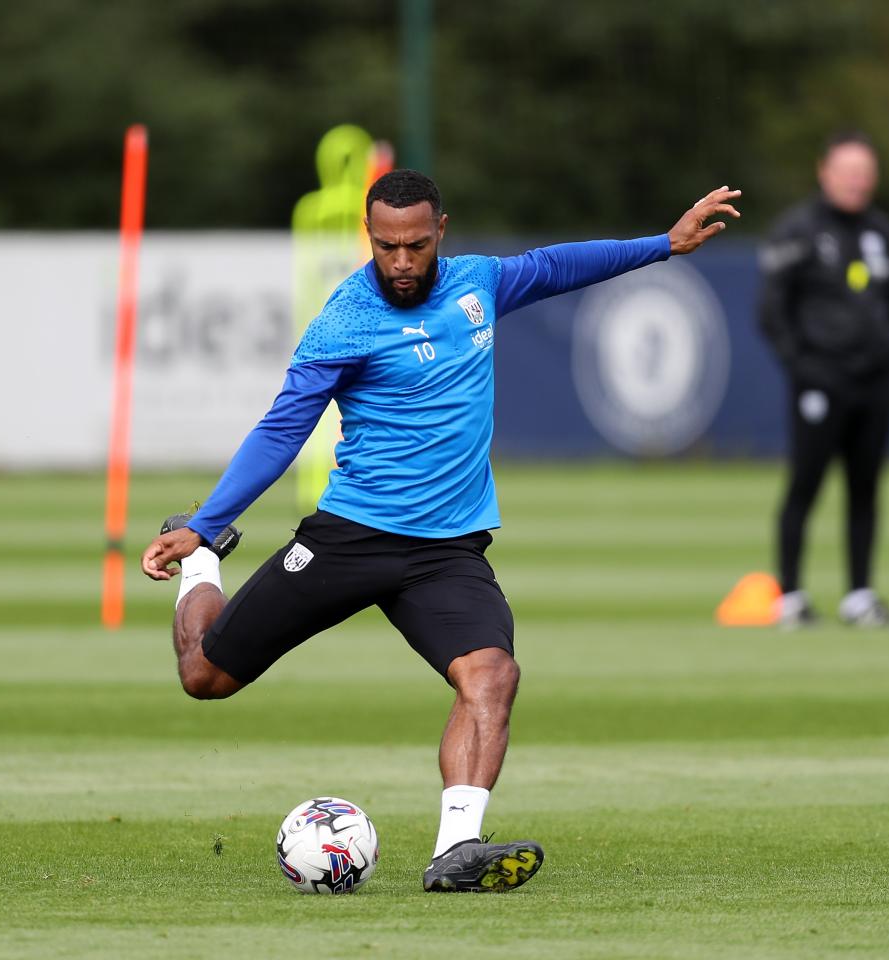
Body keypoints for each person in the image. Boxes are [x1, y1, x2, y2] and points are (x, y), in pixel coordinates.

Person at [141, 169, 741, 892]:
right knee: (204, 677)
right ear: (371, 238)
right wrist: (206, 528)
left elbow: (555, 266)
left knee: (491, 676)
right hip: (352, 536)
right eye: (386, 246)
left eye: (416, 246)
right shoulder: (345, 319)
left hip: (447, 553)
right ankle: (206, 566)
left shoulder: (477, 285)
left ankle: (456, 848)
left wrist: (664, 245)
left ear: (441, 233)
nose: (400, 262)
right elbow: (282, 429)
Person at [757, 132, 889, 628]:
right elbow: (772, 308)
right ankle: (791, 595)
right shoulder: (798, 230)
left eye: (865, 172)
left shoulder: (881, 231)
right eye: (848, 171)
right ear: (824, 171)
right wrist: (802, 367)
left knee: (865, 488)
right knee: (806, 483)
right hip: (821, 382)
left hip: (874, 384)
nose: (856, 181)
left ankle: (860, 595)